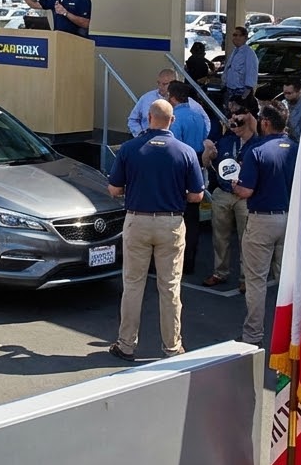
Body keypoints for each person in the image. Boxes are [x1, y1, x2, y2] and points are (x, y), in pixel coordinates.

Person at [106, 99, 205, 360]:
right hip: (170, 222)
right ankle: (172, 347)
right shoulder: (185, 152)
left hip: (137, 219)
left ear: (149, 118)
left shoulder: (129, 149)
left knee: (133, 285)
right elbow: (197, 195)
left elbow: (114, 189)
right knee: (170, 286)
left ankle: (126, 344)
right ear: (172, 121)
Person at [233, 103, 298, 346]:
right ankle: (292, 334)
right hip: (290, 217)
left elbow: (246, 190)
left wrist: (235, 186)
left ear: (266, 123)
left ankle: (253, 334)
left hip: (262, 219)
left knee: (256, 280)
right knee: (288, 280)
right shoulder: (295, 148)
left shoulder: (257, 151)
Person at [200, 113, 257, 290]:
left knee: (246, 238)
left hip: (245, 195)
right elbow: (206, 162)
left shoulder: (257, 141)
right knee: (219, 236)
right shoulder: (226, 140)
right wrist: (209, 153)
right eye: (232, 123)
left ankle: (246, 277)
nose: (235, 126)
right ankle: (220, 272)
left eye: (239, 123)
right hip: (224, 192)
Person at [166, 81, 208, 274]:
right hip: (198, 164)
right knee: (193, 217)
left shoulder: (176, 118)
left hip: (181, 168)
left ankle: (177, 261)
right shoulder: (198, 113)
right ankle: (190, 260)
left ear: (172, 97)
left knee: (176, 218)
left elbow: (173, 148)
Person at [127, 69, 208, 136]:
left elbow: (206, 121)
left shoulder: (189, 102)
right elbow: (133, 119)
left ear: (174, 83)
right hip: (147, 142)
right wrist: (140, 135)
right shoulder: (146, 98)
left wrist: (203, 138)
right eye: (158, 83)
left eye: (165, 84)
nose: (160, 87)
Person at [222, 26, 259, 101]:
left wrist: (245, 94)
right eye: (234, 35)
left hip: (241, 91)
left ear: (245, 37)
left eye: (239, 35)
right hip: (230, 89)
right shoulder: (235, 51)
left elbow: (251, 72)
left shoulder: (249, 53)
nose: (236, 38)